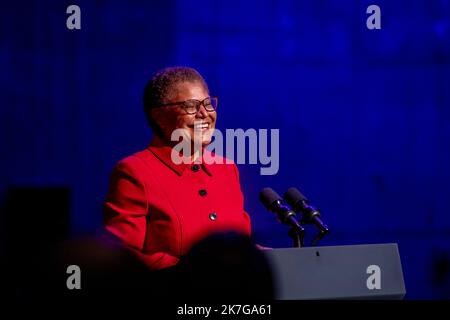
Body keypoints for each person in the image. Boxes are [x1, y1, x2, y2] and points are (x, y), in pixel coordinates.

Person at [103, 66, 253, 270]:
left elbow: (240, 243)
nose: (204, 114)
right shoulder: (134, 172)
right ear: (160, 117)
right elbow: (123, 257)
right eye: (191, 106)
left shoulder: (226, 169)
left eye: (208, 104)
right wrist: (191, 271)